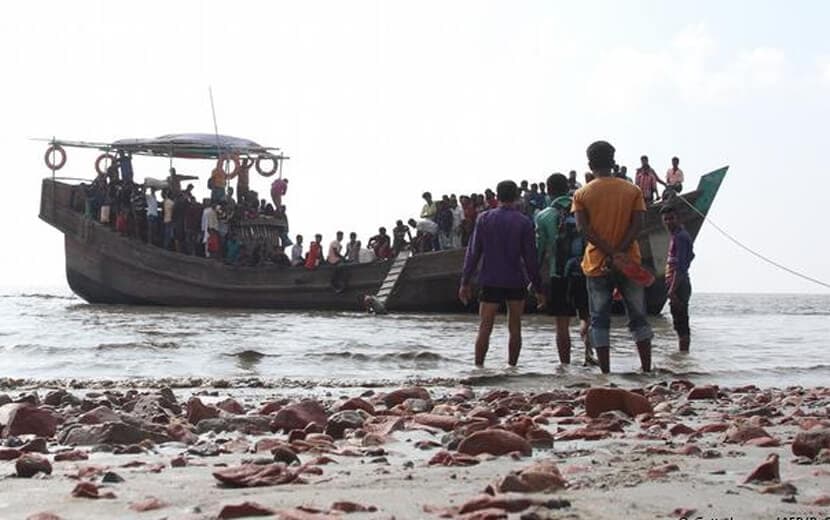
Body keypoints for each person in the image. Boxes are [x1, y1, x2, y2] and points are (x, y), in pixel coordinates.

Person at [573, 141, 654, 373]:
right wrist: (619, 254)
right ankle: (646, 369)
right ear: (613, 162)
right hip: (629, 263)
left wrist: (609, 254)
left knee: (599, 319)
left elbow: (583, 229)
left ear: (590, 164)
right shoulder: (632, 190)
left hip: (597, 264)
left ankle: (605, 372)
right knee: (638, 316)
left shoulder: (582, 193)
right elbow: (638, 225)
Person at [459, 180, 545, 367]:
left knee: (485, 327)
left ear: (497, 196)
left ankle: (478, 368)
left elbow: (473, 253)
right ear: (517, 197)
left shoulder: (484, 219)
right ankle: (512, 369)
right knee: (515, 328)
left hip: (490, 279)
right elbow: (530, 259)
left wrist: (465, 282)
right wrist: (538, 288)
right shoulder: (524, 222)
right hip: (515, 280)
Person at [535, 173, 591, 365]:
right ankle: (588, 352)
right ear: (568, 188)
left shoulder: (543, 216)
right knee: (586, 316)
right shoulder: (583, 210)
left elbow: (540, 250)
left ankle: (565, 367)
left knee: (562, 325)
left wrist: (534, 279)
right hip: (585, 270)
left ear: (548, 191)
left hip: (558, 274)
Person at [661, 205, 694, 352]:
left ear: (678, 218)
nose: (668, 222)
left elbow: (680, 267)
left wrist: (672, 291)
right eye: (666, 219)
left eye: (671, 218)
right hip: (678, 283)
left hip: (679, 285)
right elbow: (691, 256)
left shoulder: (680, 237)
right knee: (679, 323)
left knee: (681, 325)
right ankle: (682, 358)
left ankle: (683, 356)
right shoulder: (678, 235)